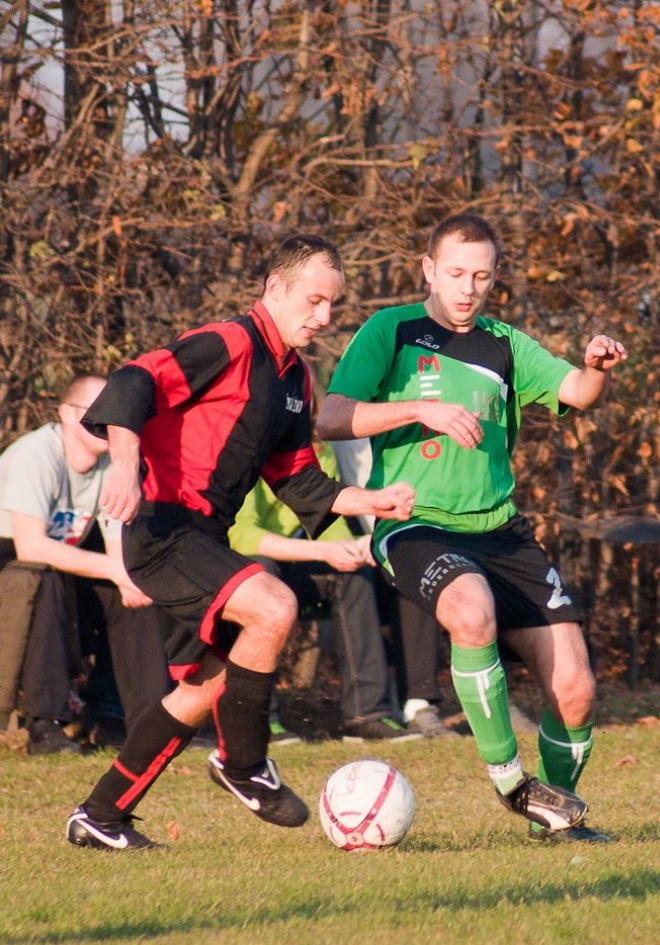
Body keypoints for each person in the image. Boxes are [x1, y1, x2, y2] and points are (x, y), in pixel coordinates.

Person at [66, 234, 415, 851]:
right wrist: (124, 464)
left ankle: (101, 816)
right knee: (273, 604)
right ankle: (244, 765)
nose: (324, 317)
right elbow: (133, 379)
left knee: (203, 688)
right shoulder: (229, 342)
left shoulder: (295, 379)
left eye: (333, 305)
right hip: (161, 527)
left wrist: (368, 501)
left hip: (202, 539)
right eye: (313, 301)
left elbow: (297, 478)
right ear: (274, 289)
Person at [317, 213, 627, 843]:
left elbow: (576, 390)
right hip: (415, 523)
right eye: (455, 273)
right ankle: (511, 780)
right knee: (471, 609)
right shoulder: (391, 330)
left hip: (503, 532)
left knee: (576, 687)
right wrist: (419, 409)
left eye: (481, 276)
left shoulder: (505, 344)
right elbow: (330, 417)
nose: (467, 288)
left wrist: (597, 366)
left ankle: (555, 814)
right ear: (429, 269)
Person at [0, 375, 171, 754]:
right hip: (14, 566)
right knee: (43, 582)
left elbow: (114, 546)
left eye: (112, 414)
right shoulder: (37, 455)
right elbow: (29, 547)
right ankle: (46, 726)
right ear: (64, 414)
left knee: (132, 592)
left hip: (56, 567)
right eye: (92, 413)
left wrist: (125, 579)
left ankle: (147, 727)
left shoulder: (114, 462)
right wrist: (113, 570)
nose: (105, 422)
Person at [228, 442, 421, 742]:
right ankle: (260, 718)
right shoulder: (245, 446)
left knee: (352, 572)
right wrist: (323, 549)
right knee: (260, 570)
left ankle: (366, 715)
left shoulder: (319, 449)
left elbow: (326, 523)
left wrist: (353, 548)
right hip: (242, 571)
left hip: (296, 567)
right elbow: (242, 537)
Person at [332, 437, 456, 738]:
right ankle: (368, 710)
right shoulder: (337, 426)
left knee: (417, 560)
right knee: (380, 565)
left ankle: (419, 703)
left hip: (371, 535)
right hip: (344, 543)